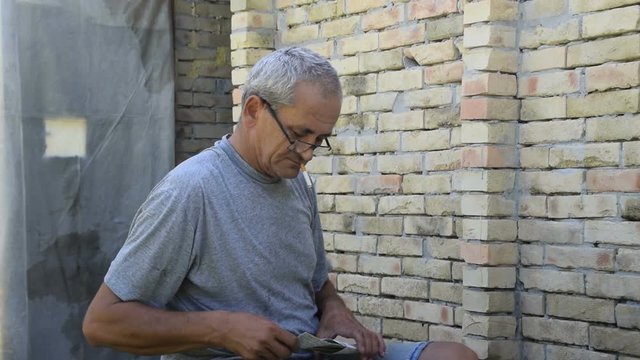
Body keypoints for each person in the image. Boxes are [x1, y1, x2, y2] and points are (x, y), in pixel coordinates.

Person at [83, 47, 478, 360]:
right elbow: (102, 323)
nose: (307, 153)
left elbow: (315, 281)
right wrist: (220, 329)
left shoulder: (298, 183)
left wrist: (335, 307)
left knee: (455, 355)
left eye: (319, 139)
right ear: (254, 109)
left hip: (312, 350)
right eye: (299, 133)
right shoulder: (189, 191)